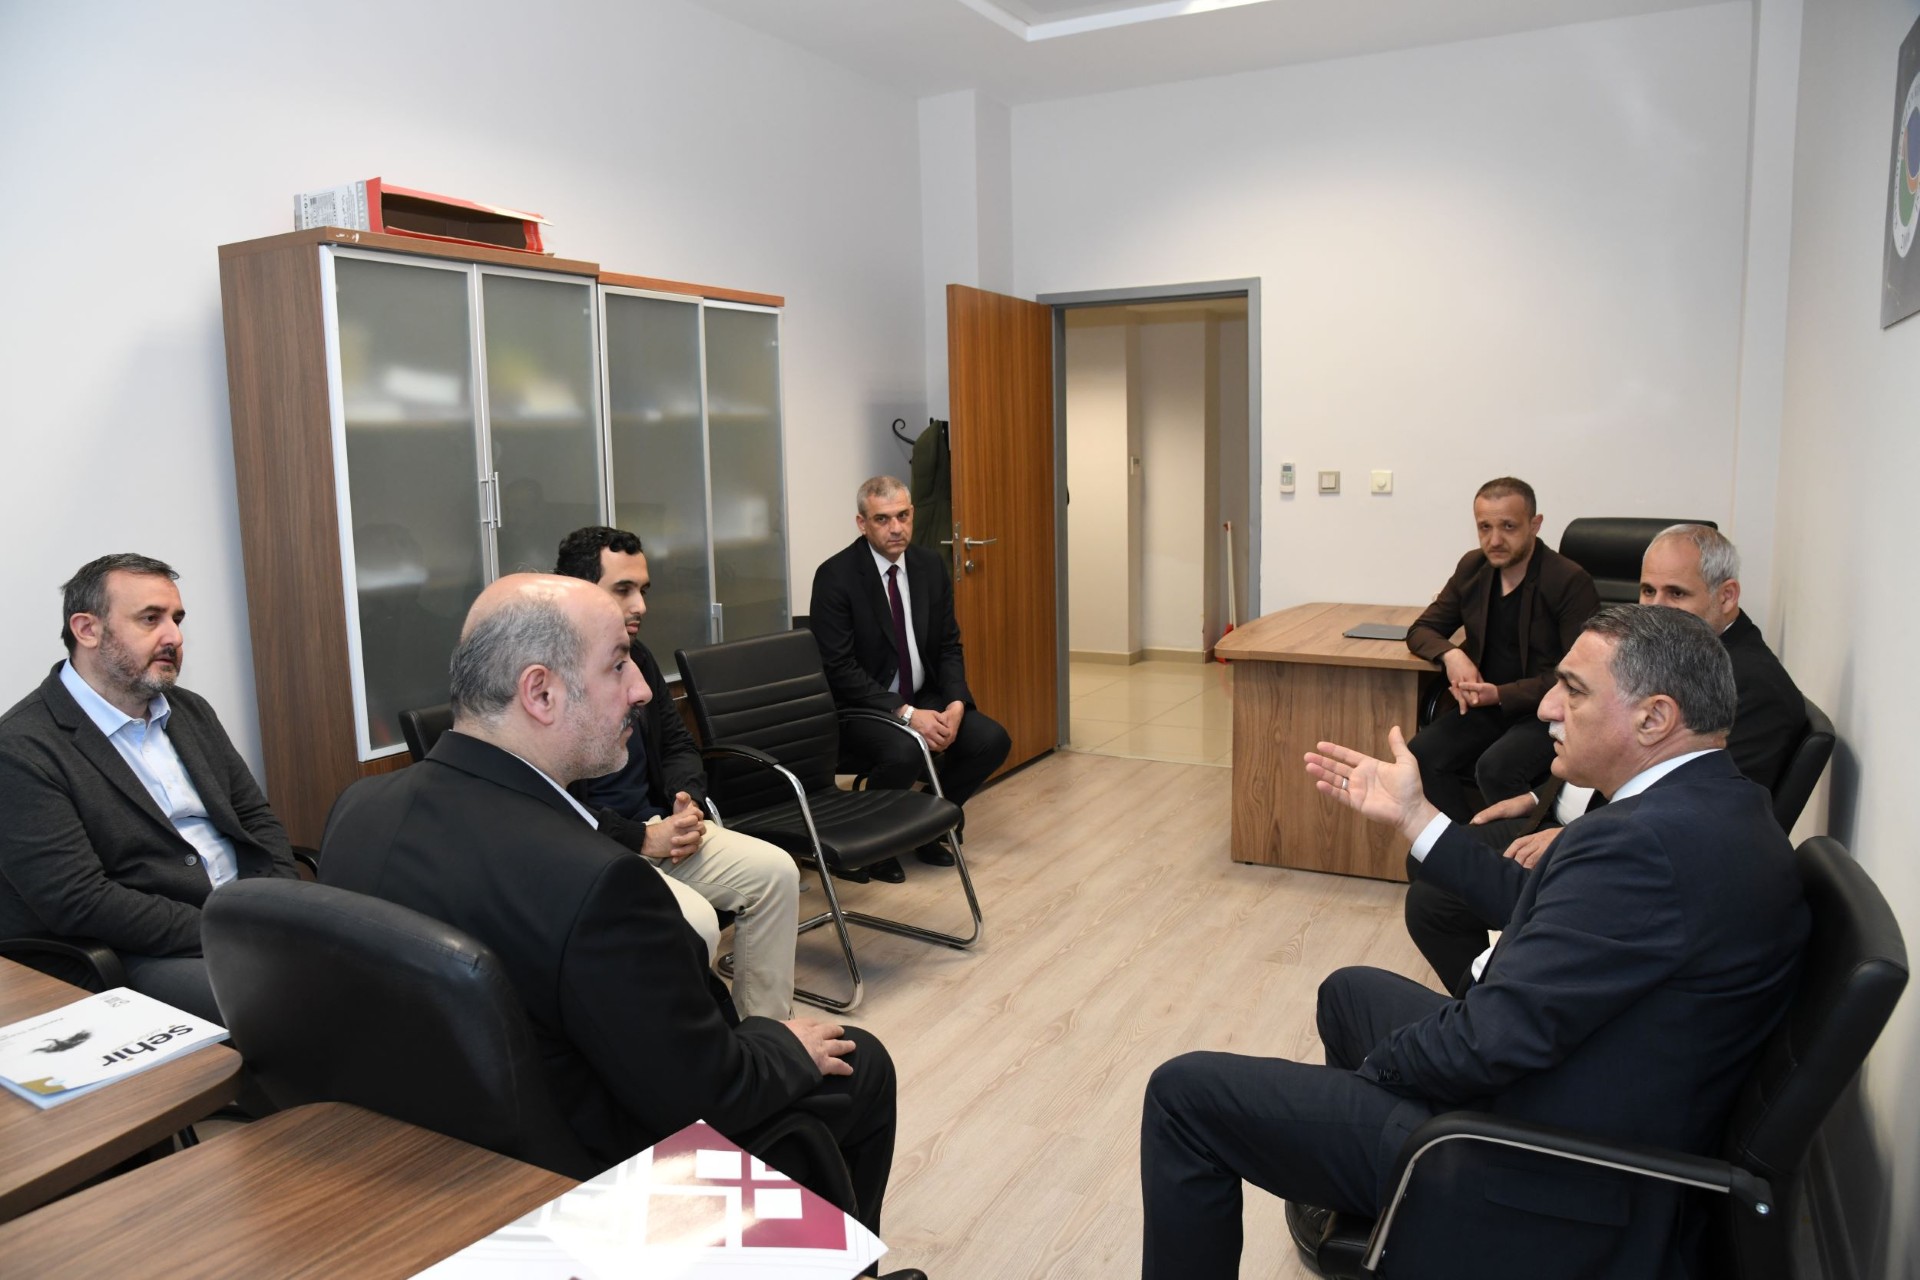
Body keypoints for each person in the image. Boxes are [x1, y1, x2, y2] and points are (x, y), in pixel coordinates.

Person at [1139, 606, 1807, 1280]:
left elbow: (1487, 1041)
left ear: (1654, 718)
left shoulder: (1644, 847)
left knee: (1183, 1096)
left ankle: (1406, 1187)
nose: (1546, 707)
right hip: (1582, 1099)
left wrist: (1381, 1074)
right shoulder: (1718, 805)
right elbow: (1541, 909)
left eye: (1573, 690)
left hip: (1541, 1169)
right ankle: (1377, 1198)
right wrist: (1416, 816)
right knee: (1349, 994)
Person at [318, 575, 914, 1270]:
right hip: (579, 1196)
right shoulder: (597, 882)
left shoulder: (356, 812)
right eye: (618, 665)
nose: (642, 690)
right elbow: (707, 1097)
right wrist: (780, 1044)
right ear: (540, 693)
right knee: (858, 1063)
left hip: (419, 1166)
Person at [1406, 524, 1809, 991]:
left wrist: (1573, 837)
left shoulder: (1750, 688)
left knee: (1435, 899)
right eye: (1647, 590)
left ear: (1727, 596)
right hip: (1577, 817)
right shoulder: (1671, 653)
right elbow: (1611, 745)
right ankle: (1500, 986)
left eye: (1676, 593)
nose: (1655, 607)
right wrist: (1535, 797)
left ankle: (1499, 997)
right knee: (1427, 867)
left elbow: (1699, 813)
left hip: (1616, 854)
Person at [0, 554, 299, 1021]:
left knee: (385, 962)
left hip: (246, 917)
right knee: (299, 1004)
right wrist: (231, 929)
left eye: (177, 619)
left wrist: (279, 903)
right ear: (87, 629)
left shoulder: (189, 710)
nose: (174, 636)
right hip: (137, 952)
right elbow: (79, 901)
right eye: (150, 619)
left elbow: (255, 820)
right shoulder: (22, 746)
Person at [553, 525, 801, 1020]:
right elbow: (549, 804)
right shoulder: (548, 677)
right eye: (623, 590)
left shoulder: (637, 656)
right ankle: (697, 1053)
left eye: (643, 590)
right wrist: (643, 839)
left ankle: (767, 1037)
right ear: (577, 591)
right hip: (592, 851)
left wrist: (686, 803)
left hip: (662, 828)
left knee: (777, 874)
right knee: (698, 923)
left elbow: (679, 746)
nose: (640, 605)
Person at [808, 475, 1010, 882]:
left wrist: (956, 702)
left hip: (922, 694)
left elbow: (949, 644)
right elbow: (839, 668)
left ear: (913, 514)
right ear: (862, 523)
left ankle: (927, 824)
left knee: (990, 740)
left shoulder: (929, 566)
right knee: (905, 749)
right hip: (862, 706)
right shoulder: (836, 576)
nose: (896, 528)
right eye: (882, 519)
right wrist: (906, 714)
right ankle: (873, 843)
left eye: (903, 516)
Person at [1405, 477, 1599, 823]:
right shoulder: (1472, 568)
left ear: (1535, 525)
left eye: (1508, 526)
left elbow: (1578, 675)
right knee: (1422, 753)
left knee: (1497, 768)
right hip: (1487, 707)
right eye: (1485, 527)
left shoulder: (1568, 581)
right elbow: (1421, 630)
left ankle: (1518, 849)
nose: (1494, 540)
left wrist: (1500, 694)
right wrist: (1452, 655)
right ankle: (1462, 842)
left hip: (1548, 712)